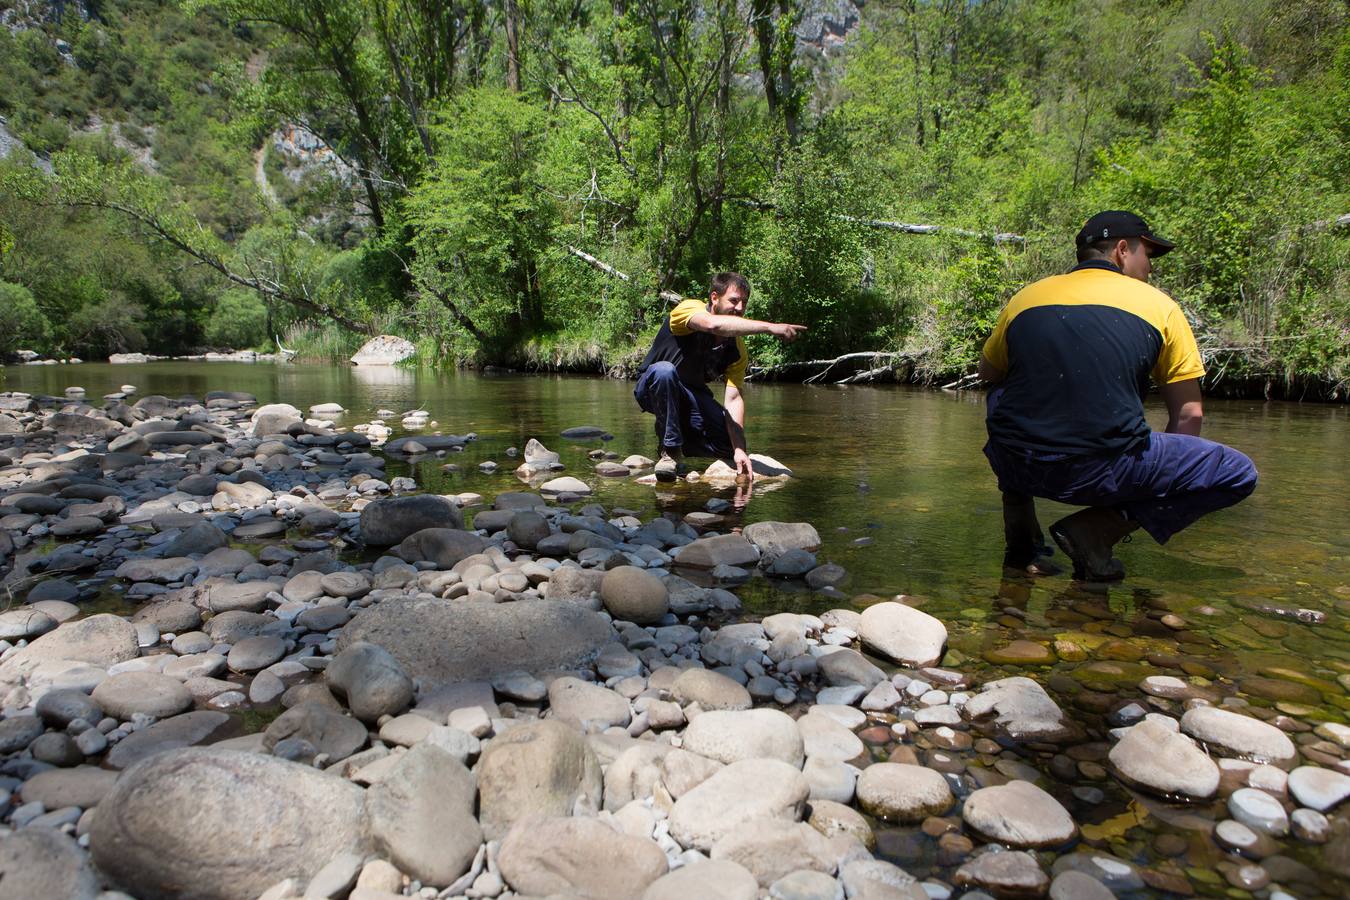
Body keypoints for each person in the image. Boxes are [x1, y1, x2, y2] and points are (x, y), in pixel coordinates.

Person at [977, 211, 1258, 580]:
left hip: (1015, 462)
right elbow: (1189, 414)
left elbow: (987, 375)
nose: (1151, 268)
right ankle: (1096, 530)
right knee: (1238, 472)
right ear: (1123, 250)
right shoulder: (1160, 307)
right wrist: (1147, 495)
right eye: (1149, 255)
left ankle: (1021, 542)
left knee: (1003, 395)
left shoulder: (1026, 298)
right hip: (1100, 473)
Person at [634, 272, 805, 482]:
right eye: (734, 300)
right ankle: (670, 451)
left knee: (728, 446)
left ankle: (678, 439)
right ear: (714, 297)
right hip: (652, 387)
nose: (740, 308)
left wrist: (740, 449)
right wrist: (769, 327)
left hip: (691, 396)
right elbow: (713, 324)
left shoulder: (737, 349)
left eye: (744, 302)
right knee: (664, 371)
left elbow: (733, 399)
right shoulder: (689, 309)